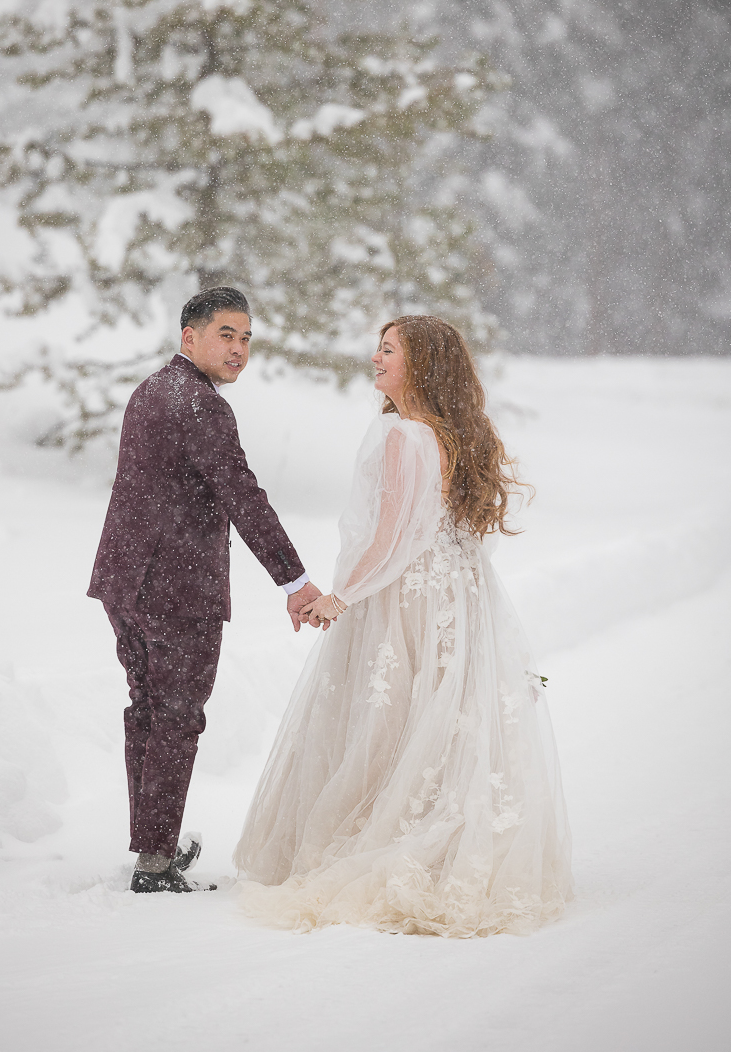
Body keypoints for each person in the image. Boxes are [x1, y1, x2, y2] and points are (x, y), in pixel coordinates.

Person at [234, 315, 573, 936]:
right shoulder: (453, 433)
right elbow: (448, 531)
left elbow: (393, 535)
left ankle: (390, 841)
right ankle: (441, 841)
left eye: (389, 351)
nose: (375, 359)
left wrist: (344, 594)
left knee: (390, 718)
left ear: (420, 365)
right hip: (459, 593)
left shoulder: (400, 436)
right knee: (440, 712)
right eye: (379, 348)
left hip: (406, 595)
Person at [88, 287, 321, 893]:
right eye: (226, 334)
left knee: (148, 711)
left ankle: (151, 848)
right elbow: (241, 492)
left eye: (246, 337)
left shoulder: (152, 389)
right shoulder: (201, 405)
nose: (239, 349)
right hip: (174, 589)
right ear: (189, 337)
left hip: (125, 579)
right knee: (176, 718)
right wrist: (293, 578)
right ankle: (156, 863)